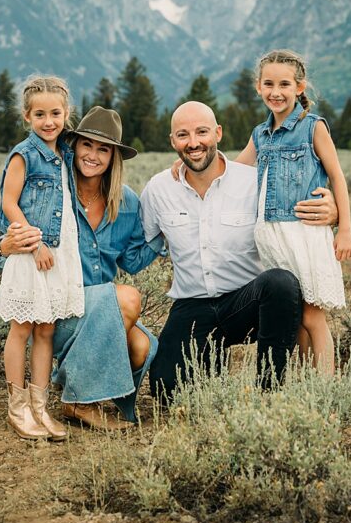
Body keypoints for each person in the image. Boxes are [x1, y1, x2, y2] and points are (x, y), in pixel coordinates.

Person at [142, 100, 338, 401]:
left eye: (202, 132)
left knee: (282, 283)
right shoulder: (158, 190)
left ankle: (270, 390)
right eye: (183, 135)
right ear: (172, 141)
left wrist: (333, 210)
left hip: (248, 302)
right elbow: (139, 244)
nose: (193, 143)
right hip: (192, 304)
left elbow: (297, 208)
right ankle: (210, 358)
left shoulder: (254, 181)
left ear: (218, 133)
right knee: (165, 390)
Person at [0, 106, 164, 431]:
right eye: (87, 145)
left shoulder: (125, 202)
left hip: (99, 315)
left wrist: (164, 232)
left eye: (104, 149)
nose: (93, 155)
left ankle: (73, 379)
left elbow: (132, 261)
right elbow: (5, 240)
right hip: (56, 311)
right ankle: (80, 403)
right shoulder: (56, 189)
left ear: (114, 157)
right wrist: (4, 247)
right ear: (74, 146)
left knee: (141, 346)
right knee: (127, 299)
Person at [242, 50, 351, 375]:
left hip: (304, 232)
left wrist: (344, 228)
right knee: (295, 315)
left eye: (285, 84)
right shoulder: (259, 135)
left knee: (312, 315)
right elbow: (232, 170)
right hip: (273, 237)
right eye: (269, 84)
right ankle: (306, 385)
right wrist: (191, 164)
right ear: (258, 87)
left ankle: (325, 390)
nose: (276, 92)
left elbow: (337, 176)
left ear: (300, 87)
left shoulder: (312, 128)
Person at [0, 76, 84, 441]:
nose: (49, 121)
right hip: (34, 252)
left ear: (66, 114)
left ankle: (40, 406)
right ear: (27, 116)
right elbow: (9, 202)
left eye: (56, 113)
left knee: (46, 328)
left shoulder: (66, 152)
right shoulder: (24, 154)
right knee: (22, 327)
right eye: (40, 114)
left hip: (61, 251)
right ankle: (17, 409)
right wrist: (33, 242)